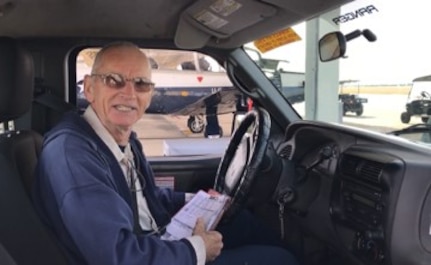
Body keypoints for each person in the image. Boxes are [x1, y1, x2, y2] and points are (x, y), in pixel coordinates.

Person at [32, 41, 299, 265]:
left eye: (141, 84)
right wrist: (196, 250)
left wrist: (194, 200)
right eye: (114, 81)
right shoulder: (73, 153)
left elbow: (146, 198)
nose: (128, 94)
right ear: (89, 88)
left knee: (241, 221)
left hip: (155, 239)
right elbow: (117, 255)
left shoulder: (122, 140)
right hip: (142, 253)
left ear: (150, 94)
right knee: (277, 260)